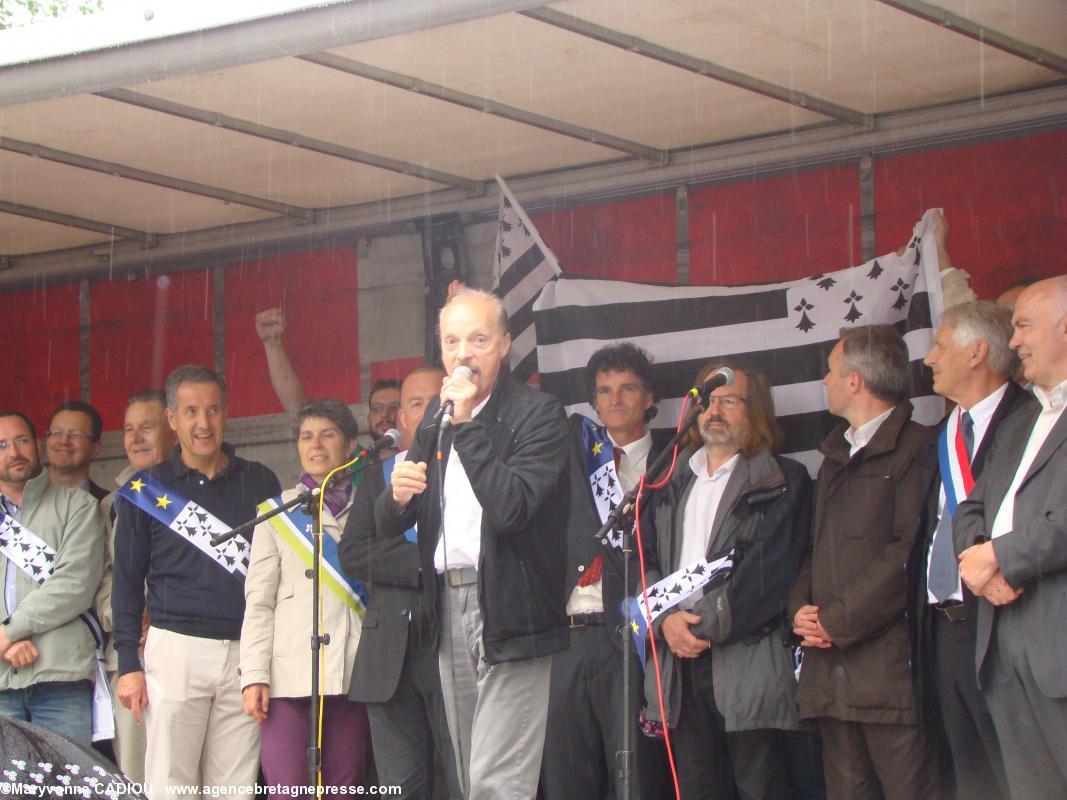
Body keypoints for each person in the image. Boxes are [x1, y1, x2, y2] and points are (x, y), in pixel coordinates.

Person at [376, 287, 570, 800]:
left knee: (497, 781)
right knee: (466, 774)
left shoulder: (539, 416)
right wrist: (395, 498)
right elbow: (388, 524)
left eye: (478, 339)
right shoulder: (436, 422)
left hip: (512, 606)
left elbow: (511, 508)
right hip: (446, 602)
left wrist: (466, 427)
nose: (463, 353)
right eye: (452, 341)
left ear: (504, 345)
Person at [639, 362, 814, 800]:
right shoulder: (669, 479)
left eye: (729, 400)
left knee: (761, 788)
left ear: (756, 411)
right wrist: (665, 622)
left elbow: (768, 575)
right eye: (707, 400)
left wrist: (698, 625)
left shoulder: (784, 479)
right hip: (679, 664)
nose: (714, 409)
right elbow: (646, 560)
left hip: (748, 663)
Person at [788, 325, 945, 800]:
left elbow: (909, 551)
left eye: (831, 371)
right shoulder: (833, 455)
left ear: (855, 380)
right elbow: (813, 549)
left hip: (891, 674)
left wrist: (834, 620)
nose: (825, 381)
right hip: (830, 675)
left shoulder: (919, 447)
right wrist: (800, 609)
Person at [112, 365, 281, 800]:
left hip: (246, 652)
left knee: (236, 787)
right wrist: (129, 664)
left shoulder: (259, 480)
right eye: (190, 411)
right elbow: (127, 583)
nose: (202, 423)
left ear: (226, 414)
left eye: (212, 410)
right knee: (171, 784)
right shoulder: (144, 489)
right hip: (175, 649)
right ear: (172, 419)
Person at [540, 342, 671, 800]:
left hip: (629, 640)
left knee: (635, 779)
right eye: (604, 391)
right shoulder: (569, 455)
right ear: (593, 402)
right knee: (566, 778)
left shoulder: (672, 465)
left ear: (649, 398)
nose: (615, 399)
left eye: (627, 388)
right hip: (566, 640)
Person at [953, 276, 1067, 797]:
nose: (1013, 341)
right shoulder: (1023, 419)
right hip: (1001, 641)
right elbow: (972, 506)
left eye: (1023, 325)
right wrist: (978, 562)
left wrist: (1001, 555)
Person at [915, 302, 1028, 799]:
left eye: (940, 344)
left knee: (1017, 771)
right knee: (970, 777)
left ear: (977, 352)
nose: (928, 357)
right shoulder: (946, 432)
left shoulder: (1030, 420)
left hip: (1005, 626)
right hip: (946, 627)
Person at [341, 365, 463, 799]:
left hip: (456, 641)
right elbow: (354, 550)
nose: (428, 409)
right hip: (389, 651)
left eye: (436, 399)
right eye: (415, 403)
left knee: (462, 782)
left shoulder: (472, 466)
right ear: (403, 419)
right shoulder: (379, 473)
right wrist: (430, 562)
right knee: (400, 788)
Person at [240, 399, 370, 790]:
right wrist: (254, 675)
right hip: (287, 678)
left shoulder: (371, 506)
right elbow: (259, 602)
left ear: (349, 446)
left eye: (327, 434)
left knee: (344, 788)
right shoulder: (275, 513)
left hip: (352, 674)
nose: (316, 444)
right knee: (287, 787)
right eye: (306, 436)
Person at [0, 409, 106, 744]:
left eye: (21, 441)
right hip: (1, 680)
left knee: (67, 788)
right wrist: (6, 641)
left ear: (37, 445)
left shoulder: (78, 505)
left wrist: (8, 631)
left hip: (60, 678)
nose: (14, 452)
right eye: (1, 445)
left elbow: (75, 584)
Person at [96, 390, 175, 782]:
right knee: (135, 773)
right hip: (130, 656)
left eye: (147, 427)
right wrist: (125, 616)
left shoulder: (190, 493)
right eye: (129, 429)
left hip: (185, 647)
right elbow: (103, 576)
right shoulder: (112, 503)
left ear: (173, 429)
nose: (136, 437)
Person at [45, 400, 108, 501]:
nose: (64, 441)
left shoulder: (111, 507)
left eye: (76, 435)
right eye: (57, 433)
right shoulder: (23, 499)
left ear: (96, 448)